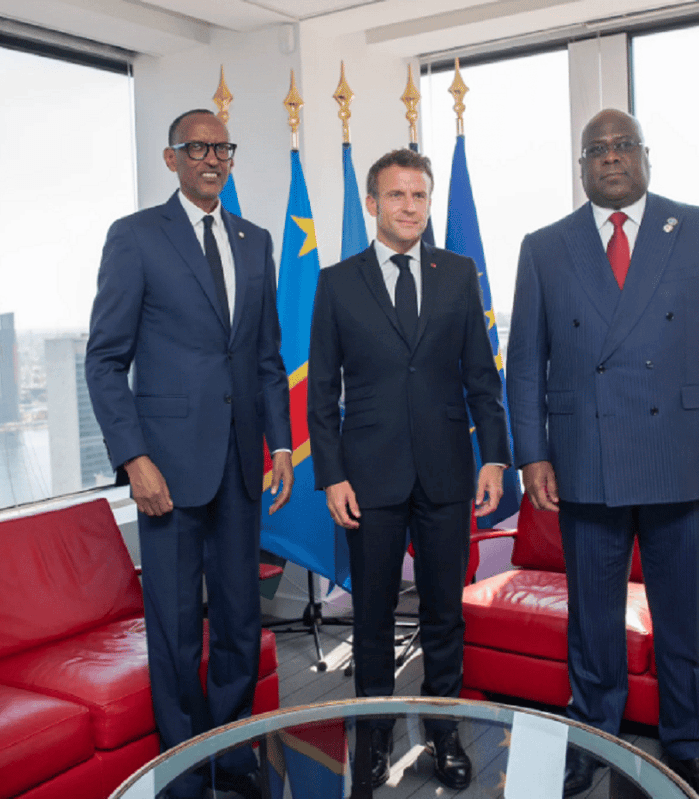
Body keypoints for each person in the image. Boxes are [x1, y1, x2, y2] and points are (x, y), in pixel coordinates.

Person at [506, 109, 699, 799]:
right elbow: (525, 363)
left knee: (685, 622)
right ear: (582, 166)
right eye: (598, 150)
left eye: (624, 146)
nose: (611, 158)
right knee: (593, 624)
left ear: (645, 156)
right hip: (586, 464)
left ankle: (689, 748)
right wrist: (532, 452)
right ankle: (592, 739)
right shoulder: (544, 246)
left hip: (685, 463)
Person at [85, 108, 293, 799]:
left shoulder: (255, 241)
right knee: (175, 629)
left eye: (222, 148)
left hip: (240, 464)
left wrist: (283, 443)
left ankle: (232, 755)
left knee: (238, 621)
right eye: (197, 148)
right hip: (165, 472)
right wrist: (134, 458)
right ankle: (179, 770)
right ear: (171, 159)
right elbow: (105, 361)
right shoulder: (137, 237)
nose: (212, 158)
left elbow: (266, 357)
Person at [307, 148, 510, 792]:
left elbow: (482, 377)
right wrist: (332, 474)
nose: (410, 207)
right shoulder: (338, 282)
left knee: (444, 612)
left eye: (419, 196)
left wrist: (496, 457)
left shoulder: (458, 273)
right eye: (396, 196)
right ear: (372, 203)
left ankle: (443, 732)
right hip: (367, 478)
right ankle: (374, 735)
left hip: (449, 472)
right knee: (370, 614)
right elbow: (321, 394)